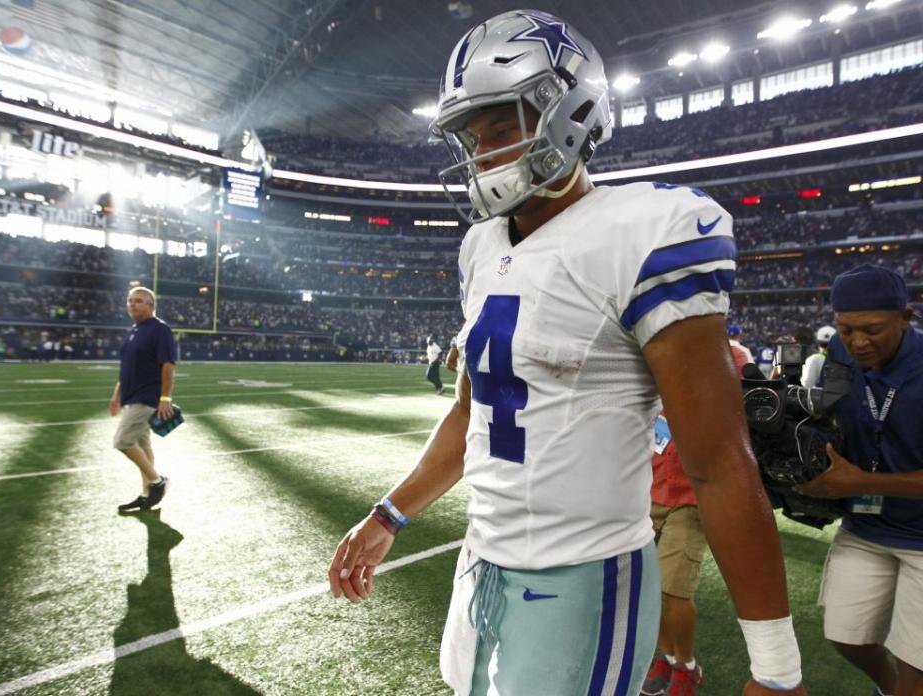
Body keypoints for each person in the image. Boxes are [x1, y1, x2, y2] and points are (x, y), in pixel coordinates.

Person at [328, 10, 805, 696]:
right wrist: (389, 514)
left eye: (501, 123)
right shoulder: (479, 247)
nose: (483, 150)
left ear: (570, 108)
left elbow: (719, 463)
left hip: (586, 576)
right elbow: (476, 414)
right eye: (470, 134)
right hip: (480, 563)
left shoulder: (648, 230)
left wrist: (779, 667)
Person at [796, 265, 923, 696]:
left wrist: (859, 482)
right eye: (846, 329)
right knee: (847, 635)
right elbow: (832, 416)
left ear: (906, 317)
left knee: (917, 671)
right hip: (866, 526)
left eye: (872, 329)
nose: (858, 342)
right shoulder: (843, 355)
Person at [643, 346, 751, 696]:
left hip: (692, 496)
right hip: (651, 487)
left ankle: (687, 666)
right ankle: (669, 656)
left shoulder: (729, 355)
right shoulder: (656, 349)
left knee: (673, 588)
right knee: (646, 589)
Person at [110, 287, 175, 512]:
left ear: (150, 305)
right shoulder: (134, 330)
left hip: (146, 397)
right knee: (142, 444)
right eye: (129, 300)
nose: (132, 304)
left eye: (138, 301)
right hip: (131, 396)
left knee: (123, 441)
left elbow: (168, 364)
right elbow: (127, 367)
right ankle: (146, 493)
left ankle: (157, 482)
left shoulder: (160, 329)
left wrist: (165, 398)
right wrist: (117, 394)